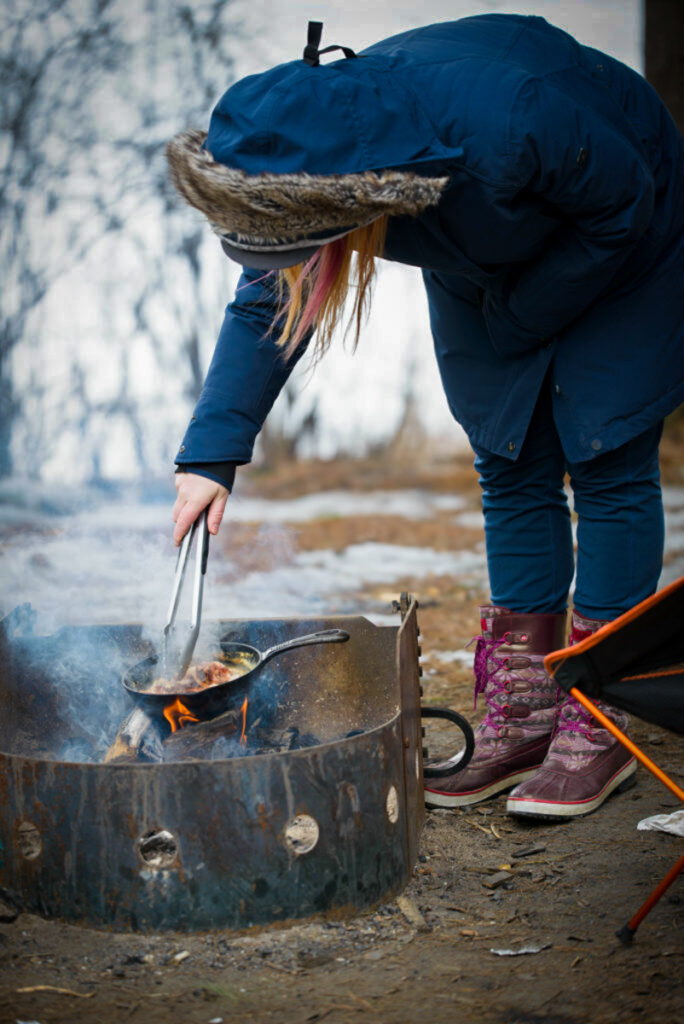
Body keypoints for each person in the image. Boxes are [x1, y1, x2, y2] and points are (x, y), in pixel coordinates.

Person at [167, 15, 684, 820]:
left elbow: (623, 204)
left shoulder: (508, 121)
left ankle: (600, 704)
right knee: (507, 453)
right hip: (482, 246)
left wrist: (519, 318)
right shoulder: (314, 163)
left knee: (605, 448)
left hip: (628, 225)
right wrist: (211, 455)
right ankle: (528, 706)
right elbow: (270, 300)